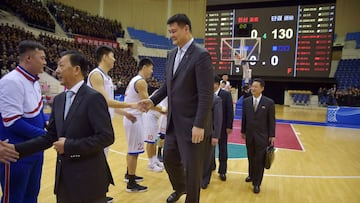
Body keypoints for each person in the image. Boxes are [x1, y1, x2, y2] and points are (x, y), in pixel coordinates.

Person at [13, 50, 115, 202]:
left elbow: (106, 137)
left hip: (89, 181)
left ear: (76, 69)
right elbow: (51, 136)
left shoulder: (94, 98)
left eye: (61, 66)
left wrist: (70, 146)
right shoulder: (59, 99)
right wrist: (16, 150)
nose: (57, 70)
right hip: (64, 180)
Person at [139, 13, 213, 203]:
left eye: (174, 31)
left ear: (186, 29)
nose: (171, 35)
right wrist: (152, 101)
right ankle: (180, 188)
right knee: (169, 160)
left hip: (192, 124)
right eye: (169, 31)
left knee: (193, 170)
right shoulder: (171, 54)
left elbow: (206, 95)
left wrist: (199, 124)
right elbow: (167, 85)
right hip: (172, 122)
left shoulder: (201, 55)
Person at [87, 45, 136, 202]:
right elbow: (105, 101)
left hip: (104, 123)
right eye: (112, 56)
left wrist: (125, 113)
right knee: (96, 159)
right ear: (104, 57)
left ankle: (98, 193)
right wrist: (131, 105)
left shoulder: (107, 77)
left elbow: (108, 104)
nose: (115, 59)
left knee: (101, 159)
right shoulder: (96, 75)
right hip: (94, 124)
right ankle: (93, 195)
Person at [0, 40, 48, 203]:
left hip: (35, 150)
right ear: (28, 58)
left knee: (31, 196)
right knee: (14, 199)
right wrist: (46, 136)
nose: (45, 62)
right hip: (15, 153)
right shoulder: (11, 81)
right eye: (41, 58)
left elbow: (38, 113)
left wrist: (50, 126)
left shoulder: (34, 81)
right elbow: (12, 122)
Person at [123, 58, 156, 192]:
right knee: (134, 151)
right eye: (151, 68)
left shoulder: (134, 80)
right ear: (144, 67)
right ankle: (131, 183)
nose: (152, 71)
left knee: (132, 149)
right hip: (133, 118)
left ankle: (129, 174)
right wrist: (163, 110)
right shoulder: (141, 82)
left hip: (132, 117)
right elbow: (147, 103)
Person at [241, 78, 275, 194]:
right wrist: (243, 131)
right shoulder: (246, 102)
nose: (253, 88)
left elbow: (271, 120)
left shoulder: (269, 103)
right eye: (252, 86)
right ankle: (251, 175)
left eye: (256, 87)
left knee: (259, 160)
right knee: (250, 157)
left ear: (262, 88)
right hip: (249, 135)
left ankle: (257, 183)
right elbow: (244, 118)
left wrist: (272, 135)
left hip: (262, 136)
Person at [213, 75, 234, 181]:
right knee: (208, 150)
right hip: (209, 127)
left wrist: (229, 125)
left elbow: (230, 110)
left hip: (222, 126)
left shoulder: (225, 95)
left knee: (222, 149)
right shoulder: (205, 93)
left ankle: (222, 171)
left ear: (216, 84)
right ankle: (211, 167)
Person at [202, 94, 222, 189]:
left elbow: (218, 119)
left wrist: (215, 136)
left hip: (208, 134)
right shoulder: (193, 95)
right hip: (193, 132)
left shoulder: (216, 99)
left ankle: (204, 180)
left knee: (207, 158)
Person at [144, 90, 166, 172]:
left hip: (156, 117)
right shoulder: (163, 92)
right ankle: (151, 164)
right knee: (150, 141)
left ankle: (154, 160)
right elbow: (149, 104)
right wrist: (164, 110)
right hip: (149, 115)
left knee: (153, 141)